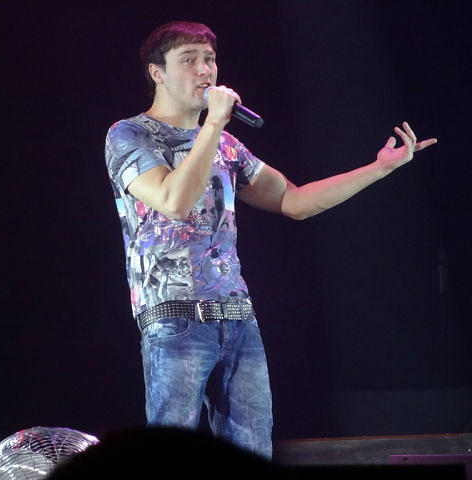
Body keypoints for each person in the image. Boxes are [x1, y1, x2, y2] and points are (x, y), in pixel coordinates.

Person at [103, 21, 436, 459]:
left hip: (238, 317)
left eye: (209, 59)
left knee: (253, 451)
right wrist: (214, 123)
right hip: (175, 318)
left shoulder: (225, 145)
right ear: (156, 72)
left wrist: (380, 168)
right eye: (189, 60)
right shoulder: (129, 135)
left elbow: (293, 201)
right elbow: (174, 201)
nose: (205, 70)